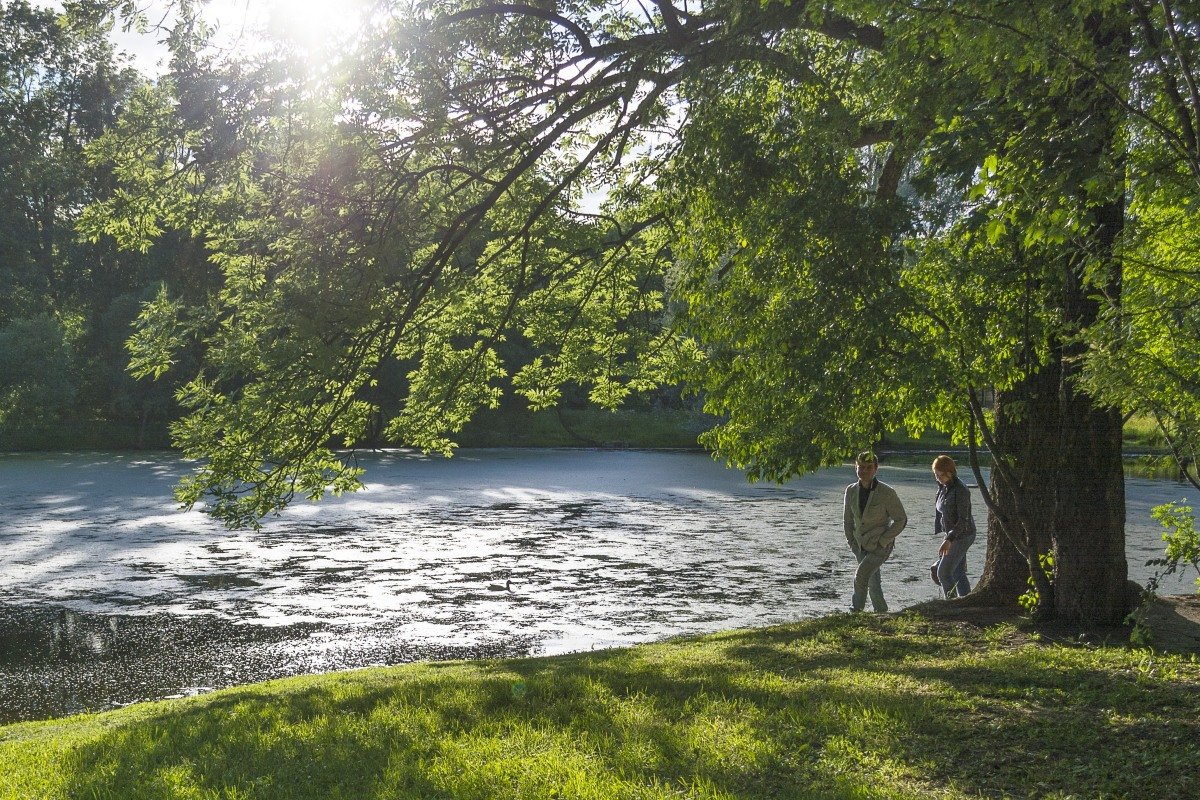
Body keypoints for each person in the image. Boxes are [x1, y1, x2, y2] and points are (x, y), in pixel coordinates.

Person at [843, 450, 907, 612]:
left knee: (861, 576)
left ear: (876, 469)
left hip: (880, 546)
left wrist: (884, 540)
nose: (864, 471)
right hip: (859, 545)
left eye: (868, 467)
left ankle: (856, 611)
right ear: (855, 468)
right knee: (873, 582)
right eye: (860, 467)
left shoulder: (886, 492)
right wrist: (852, 542)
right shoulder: (850, 491)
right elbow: (848, 520)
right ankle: (882, 612)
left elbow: (901, 519)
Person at [930, 454, 976, 598]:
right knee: (958, 572)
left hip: (963, 534)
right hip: (952, 533)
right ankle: (965, 601)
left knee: (943, 572)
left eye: (940, 475)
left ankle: (951, 604)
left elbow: (963, 520)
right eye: (935, 475)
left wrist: (949, 539)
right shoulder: (944, 487)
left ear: (950, 472)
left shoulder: (960, 490)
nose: (937, 478)